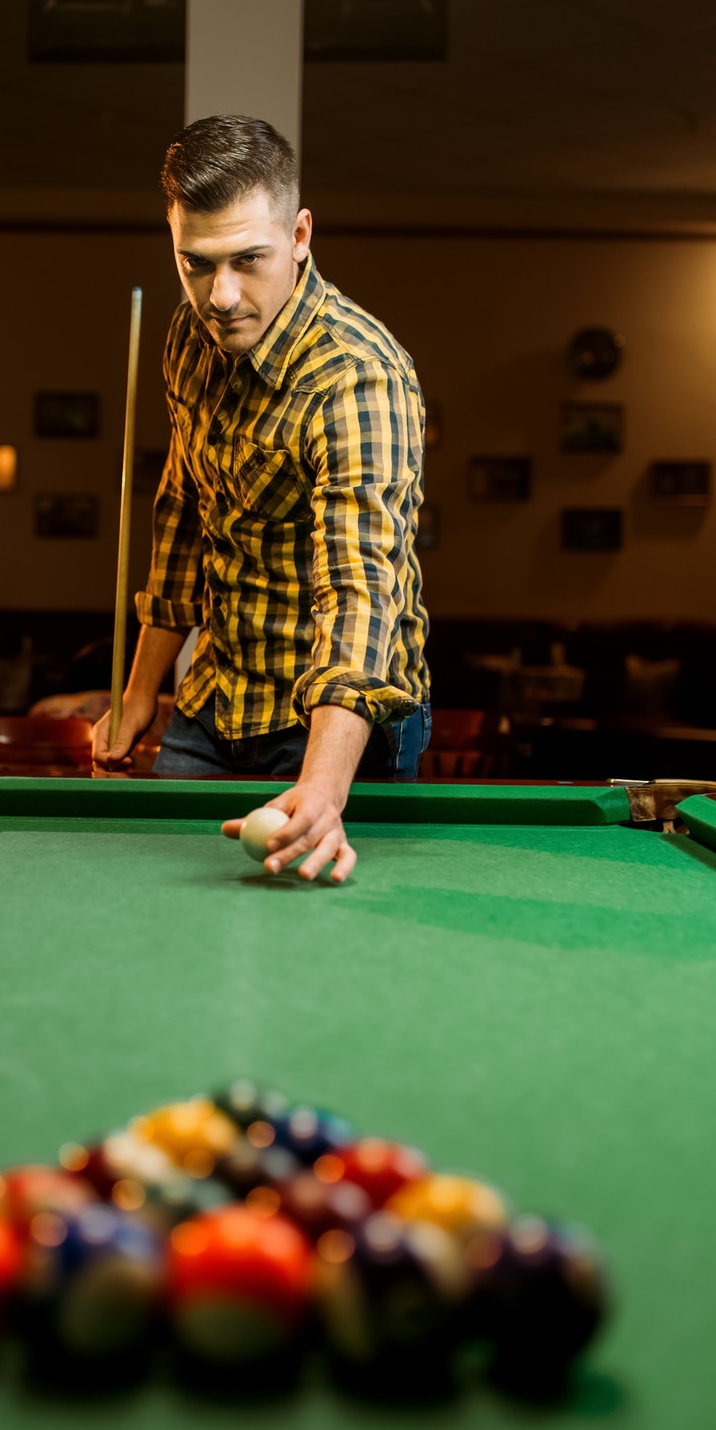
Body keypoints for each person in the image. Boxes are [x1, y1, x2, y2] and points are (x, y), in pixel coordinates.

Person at [93, 115, 429, 883]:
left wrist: (321, 786)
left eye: (249, 259)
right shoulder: (188, 337)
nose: (222, 296)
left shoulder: (358, 376)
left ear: (301, 234)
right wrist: (141, 692)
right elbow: (182, 515)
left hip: (339, 725)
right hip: (213, 699)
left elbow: (361, 588)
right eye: (195, 264)